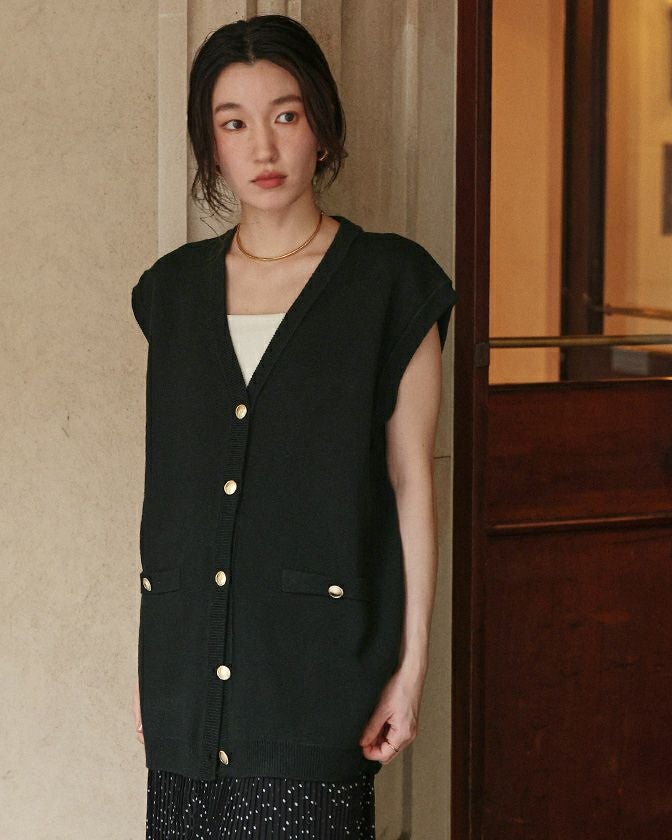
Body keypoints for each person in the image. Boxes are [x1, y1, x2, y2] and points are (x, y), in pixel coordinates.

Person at [130, 13, 457, 840]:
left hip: (314, 683)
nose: (264, 147)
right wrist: (155, 666)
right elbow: (173, 498)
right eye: (234, 123)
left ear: (322, 125)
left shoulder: (392, 284)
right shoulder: (171, 294)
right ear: (210, 145)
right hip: (186, 692)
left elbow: (411, 480)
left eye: (285, 114)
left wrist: (412, 666)